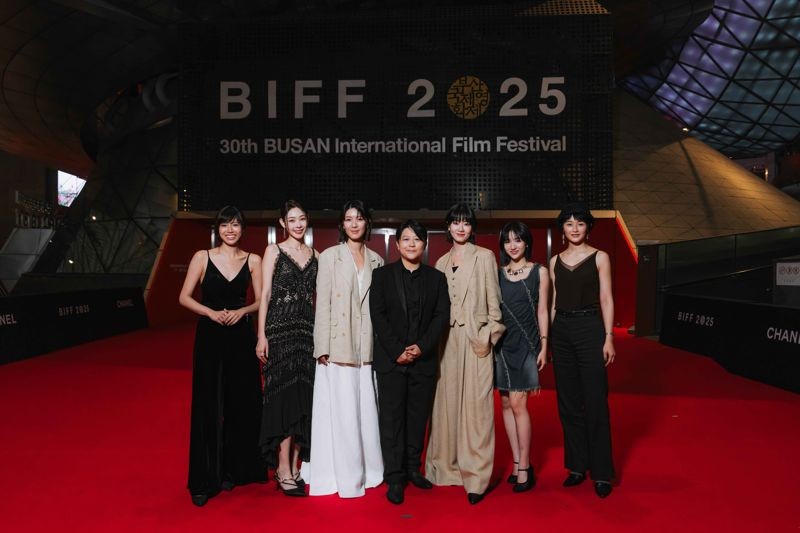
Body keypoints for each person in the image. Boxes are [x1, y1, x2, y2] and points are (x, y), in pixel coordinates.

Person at [178, 206, 265, 507]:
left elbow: (261, 301)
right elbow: (184, 296)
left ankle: (235, 470)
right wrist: (210, 313)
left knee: (241, 403)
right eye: (225, 225)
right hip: (210, 337)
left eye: (236, 225)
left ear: (243, 229)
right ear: (218, 228)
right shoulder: (202, 257)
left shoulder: (253, 260)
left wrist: (243, 311)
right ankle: (204, 480)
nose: (230, 230)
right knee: (208, 403)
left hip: (241, 336)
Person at [300, 200, 384, 497]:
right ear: (342, 224)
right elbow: (322, 303)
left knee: (365, 411)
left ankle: (369, 470)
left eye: (359, 218)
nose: (354, 224)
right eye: (349, 219)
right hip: (337, 344)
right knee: (341, 411)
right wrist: (321, 345)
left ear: (367, 223)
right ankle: (338, 474)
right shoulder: (329, 257)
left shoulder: (376, 259)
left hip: (366, 343)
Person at [425, 203, 505, 504]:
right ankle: (446, 469)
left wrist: (486, 337)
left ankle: (477, 477)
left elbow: (496, 308)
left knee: (477, 410)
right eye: (455, 222)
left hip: (475, 340)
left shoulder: (484, 257)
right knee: (445, 408)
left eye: (466, 223)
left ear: (472, 228)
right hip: (446, 343)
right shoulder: (441, 262)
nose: (461, 228)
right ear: (448, 227)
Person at [369, 220, 450, 504]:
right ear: (397, 244)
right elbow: (378, 315)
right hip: (392, 361)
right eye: (406, 239)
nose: (411, 244)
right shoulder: (382, 275)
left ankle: (413, 468)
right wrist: (397, 351)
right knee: (392, 420)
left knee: (417, 417)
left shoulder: (436, 278)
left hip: (423, 360)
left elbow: (441, 316)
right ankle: (394, 477)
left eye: (417, 239)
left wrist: (421, 347)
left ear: (424, 244)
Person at [549, 202, 616, 498]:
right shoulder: (554, 261)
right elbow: (553, 303)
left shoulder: (600, 257)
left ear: (588, 227)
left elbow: (607, 298)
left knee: (596, 401)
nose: (574, 228)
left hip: (590, 328)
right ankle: (576, 466)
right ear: (562, 230)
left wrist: (609, 337)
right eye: (569, 223)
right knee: (568, 403)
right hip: (562, 332)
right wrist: (549, 340)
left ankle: (601, 473)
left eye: (580, 223)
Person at [256, 200, 318, 497]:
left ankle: (294, 465)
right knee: (282, 398)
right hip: (279, 333)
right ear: (283, 223)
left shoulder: (316, 255)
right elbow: (265, 294)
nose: (297, 224)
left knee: (301, 400)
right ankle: (282, 468)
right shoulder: (273, 251)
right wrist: (261, 335)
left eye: (301, 218)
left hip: (306, 334)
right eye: (292, 220)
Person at [495, 221, 549, 493]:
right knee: (505, 403)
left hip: (527, 342)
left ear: (527, 242)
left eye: (517, 239)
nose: (513, 245)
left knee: (518, 403)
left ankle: (526, 466)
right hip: (503, 345)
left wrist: (544, 345)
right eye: (507, 241)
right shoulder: (497, 273)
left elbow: (543, 310)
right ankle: (516, 462)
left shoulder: (540, 271)